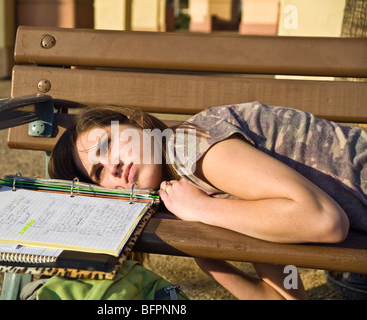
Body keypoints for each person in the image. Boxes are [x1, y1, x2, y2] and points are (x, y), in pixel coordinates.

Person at [48, 101, 366, 300]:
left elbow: (325, 221)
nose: (113, 166)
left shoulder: (188, 146)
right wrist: (209, 259)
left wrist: (204, 209)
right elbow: (284, 298)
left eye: (108, 144)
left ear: (134, 123)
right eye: (98, 172)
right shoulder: (198, 191)